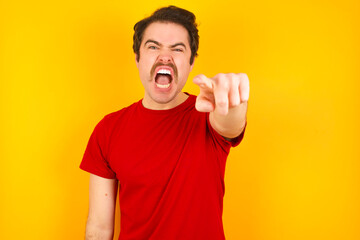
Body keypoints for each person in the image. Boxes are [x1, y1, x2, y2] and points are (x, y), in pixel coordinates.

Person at [80, 5, 249, 240]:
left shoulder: (208, 116)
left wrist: (232, 102)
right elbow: (99, 227)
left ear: (190, 63)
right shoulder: (108, 129)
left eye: (177, 49)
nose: (165, 56)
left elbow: (231, 124)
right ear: (138, 59)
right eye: (153, 46)